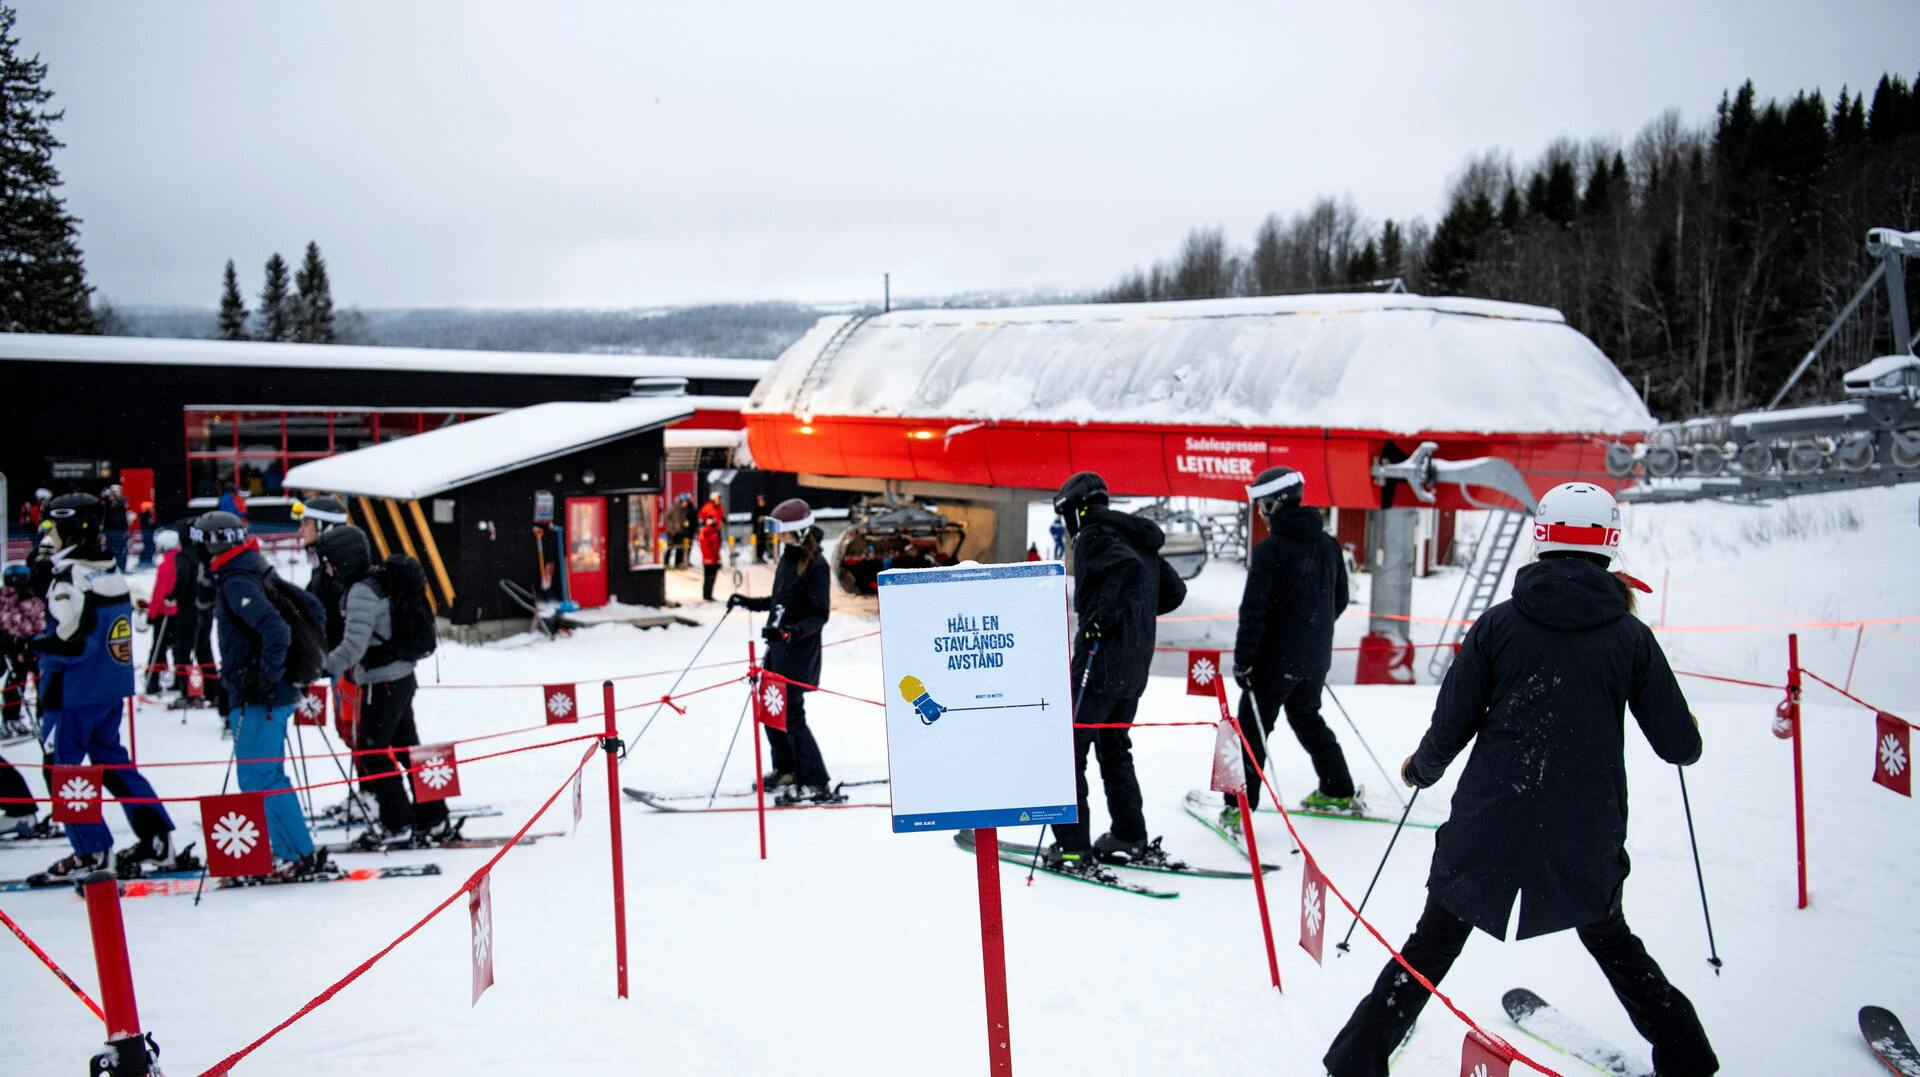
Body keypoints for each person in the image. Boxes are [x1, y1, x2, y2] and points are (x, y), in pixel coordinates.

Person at [1323, 483, 1718, 1077]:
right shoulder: (1629, 636)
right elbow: (1678, 746)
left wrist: (1420, 770)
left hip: (1491, 818)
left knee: (1434, 941)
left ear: (1542, 537)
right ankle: (1686, 1055)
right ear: (1610, 542)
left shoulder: (1499, 625)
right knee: (1610, 938)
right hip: (1584, 827)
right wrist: (1687, 729)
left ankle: (1359, 1059)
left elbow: (1451, 722)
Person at [27, 493, 178, 883]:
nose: (48, 536)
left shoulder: (68, 577)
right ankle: (156, 837)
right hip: (109, 685)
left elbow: (70, 640)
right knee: (112, 762)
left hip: (73, 691)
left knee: (61, 770)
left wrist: (33, 644)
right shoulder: (106, 566)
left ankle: (91, 851)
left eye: (52, 528)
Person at [1222, 465, 1356, 833]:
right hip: (1314, 660)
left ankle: (1238, 808)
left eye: (1263, 505)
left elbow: (1253, 612)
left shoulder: (1271, 551)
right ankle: (1339, 788)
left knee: (1249, 731)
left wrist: (1244, 662)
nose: (1261, 513)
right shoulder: (1329, 544)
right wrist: (1310, 633)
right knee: (1307, 718)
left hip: (1273, 663)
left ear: (1274, 503)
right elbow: (1340, 600)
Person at [1045, 471, 1166, 870]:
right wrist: (1136, 616)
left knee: (1066, 752)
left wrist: (1103, 618)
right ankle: (1129, 834)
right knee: (1114, 751)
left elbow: (1127, 572)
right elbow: (1172, 590)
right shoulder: (1135, 537)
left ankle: (1073, 846)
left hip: (1099, 665)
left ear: (1078, 509)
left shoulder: (1094, 535)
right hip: (1133, 668)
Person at [200, 510, 327, 877]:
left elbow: (276, 630)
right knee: (265, 776)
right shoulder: (246, 569)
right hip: (263, 696)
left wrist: (264, 678)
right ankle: (293, 850)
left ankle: (297, 853)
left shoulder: (238, 579)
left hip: (263, 698)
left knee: (261, 779)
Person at [315, 526, 452, 849]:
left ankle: (398, 823)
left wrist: (323, 667)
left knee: (373, 753)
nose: (327, 569)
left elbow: (354, 647)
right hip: (400, 677)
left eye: (329, 561)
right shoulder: (378, 580)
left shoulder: (362, 591)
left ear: (343, 560)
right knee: (408, 750)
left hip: (383, 683)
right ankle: (433, 816)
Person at [727, 498, 838, 803]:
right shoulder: (790, 557)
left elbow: (819, 614)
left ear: (799, 532)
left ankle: (816, 781)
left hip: (797, 654)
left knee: (792, 717)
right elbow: (781, 600)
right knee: (770, 710)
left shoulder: (816, 565)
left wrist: (791, 631)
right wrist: (747, 602)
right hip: (777, 649)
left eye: (783, 532)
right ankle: (786, 769)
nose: (779, 537)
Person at [295, 495, 352, 649]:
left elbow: (337, 625)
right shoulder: (321, 565)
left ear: (323, 526)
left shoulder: (338, 567)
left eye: (306, 524)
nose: (301, 530)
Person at [1, 563, 46, 738]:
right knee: (21, 683)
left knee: (20, 682)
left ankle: (15, 719)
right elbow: (41, 624)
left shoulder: (28, 600)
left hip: (27, 649)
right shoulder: (31, 600)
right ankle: (14, 719)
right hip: (20, 649)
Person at [141, 529, 181, 696]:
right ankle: (180, 681)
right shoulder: (181, 561)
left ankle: (152, 682)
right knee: (178, 649)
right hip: (179, 612)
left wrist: (151, 613)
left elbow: (159, 592)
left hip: (165, 613)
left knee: (157, 649)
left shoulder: (166, 566)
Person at [698, 515, 723, 601]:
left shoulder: (714, 531)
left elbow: (716, 547)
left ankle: (708, 594)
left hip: (713, 559)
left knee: (711, 578)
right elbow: (706, 546)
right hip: (709, 559)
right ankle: (707, 595)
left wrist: (718, 558)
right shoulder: (707, 531)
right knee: (709, 577)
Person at [135, 501, 157, 568]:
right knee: (149, 548)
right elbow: (147, 525)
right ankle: (146, 561)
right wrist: (154, 526)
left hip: (148, 534)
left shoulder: (147, 516)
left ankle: (145, 561)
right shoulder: (145, 516)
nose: (153, 509)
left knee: (148, 547)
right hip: (147, 534)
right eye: (152, 508)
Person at [749, 494, 770, 563]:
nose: (761, 502)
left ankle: (761, 557)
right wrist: (758, 519)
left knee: (763, 544)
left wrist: (764, 518)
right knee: (757, 544)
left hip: (764, 531)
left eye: (762, 501)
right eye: (760, 501)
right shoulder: (755, 509)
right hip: (757, 531)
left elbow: (769, 518)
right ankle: (756, 557)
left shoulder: (766, 509)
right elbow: (752, 519)